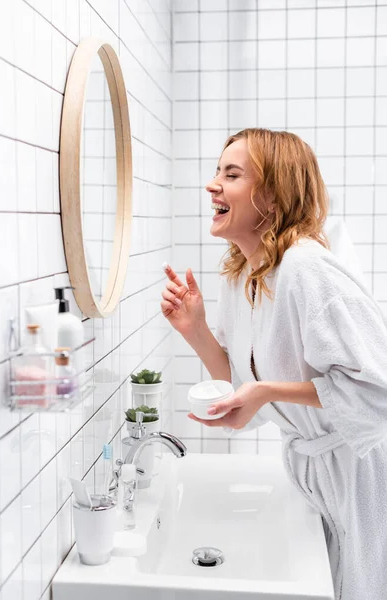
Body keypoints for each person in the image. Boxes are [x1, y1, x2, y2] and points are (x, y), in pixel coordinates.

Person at [160, 128, 387, 600]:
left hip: (360, 472)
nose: (212, 184)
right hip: (318, 473)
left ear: (273, 194)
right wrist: (194, 329)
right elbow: (243, 387)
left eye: (232, 173)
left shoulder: (308, 269)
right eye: (216, 171)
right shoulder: (245, 275)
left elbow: (376, 394)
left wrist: (266, 393)